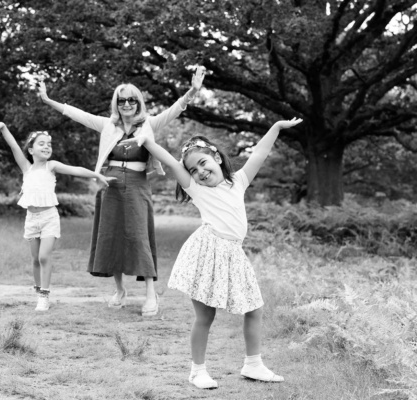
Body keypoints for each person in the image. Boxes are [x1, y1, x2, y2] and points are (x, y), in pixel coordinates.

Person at [120, 117, 302, 388]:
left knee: (254, 308)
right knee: (205, 316)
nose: (200, 172)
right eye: (193, 170)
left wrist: (275, 127)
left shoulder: (239, 181)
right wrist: (147, 142)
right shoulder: (196, 190)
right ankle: (197, 371)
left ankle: (253, 364)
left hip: (233, 253)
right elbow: (171, 162)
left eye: (203, 163)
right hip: (207, 251)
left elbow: (260, 154)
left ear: (216, 156)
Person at [37, 68, 206, 316]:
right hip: (111, 185)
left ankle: (150, 294)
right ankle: (119, 290)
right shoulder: (108, 125)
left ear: (139, 103)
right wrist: (47, 100)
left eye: (132, 100)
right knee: (112, 236)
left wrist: (192, 91)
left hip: (138, 185)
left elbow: (175, 109)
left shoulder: (149, 123)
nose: (127, 104)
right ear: (116, 103)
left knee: (140, 236)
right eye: (122, 100)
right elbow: (77, 114)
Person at [0, 122, 112, 311]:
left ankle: (45, 295)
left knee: (45, 256)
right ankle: (38, 292)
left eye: (49, 144)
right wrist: (4, 128)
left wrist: (97, 175)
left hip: (49, 218)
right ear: (31, 149)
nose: (46, 147)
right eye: (41, 144)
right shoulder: (26, 168)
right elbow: (13, 146)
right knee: (35, 259)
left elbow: (75, 169)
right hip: (31, 219)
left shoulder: (51, 166)